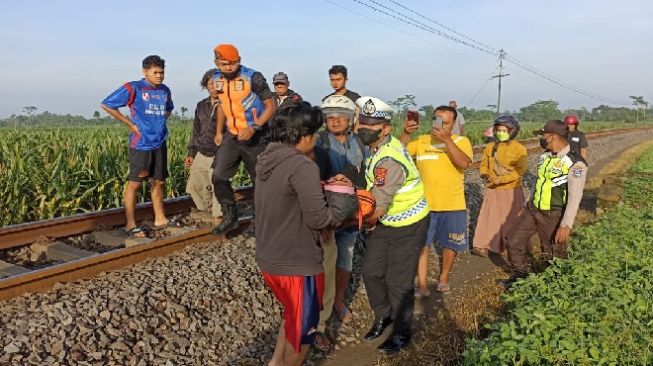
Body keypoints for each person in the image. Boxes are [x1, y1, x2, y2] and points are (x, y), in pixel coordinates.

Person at [255, 102, 345, 366]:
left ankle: (274, 363)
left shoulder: (267, 158)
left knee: (291, 316)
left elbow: (288, 195)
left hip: (270, 260)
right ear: (304, 136)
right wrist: (341, 209)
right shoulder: (303, 166)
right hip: (299, 266)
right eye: (315, 134)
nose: (316, 140)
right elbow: (319, 219)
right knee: (304, 333)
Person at [357, 96, 430, 354]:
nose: (363, 128)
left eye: (371, 125)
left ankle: (401, 332)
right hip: (390, 220)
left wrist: (345, 218)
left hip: (409, 223)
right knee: (371, 272)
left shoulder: (388, 161)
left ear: (384, 129)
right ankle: (384, 314)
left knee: (399, 282)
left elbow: (376, 210)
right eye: (361, 122)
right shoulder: (379, 146)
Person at [500, 120, 588, 287]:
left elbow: (575, 197)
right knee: (513, 240)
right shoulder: (545, 157)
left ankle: (557, 287)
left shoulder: (576, 163)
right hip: (533, 210)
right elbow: (538, 183)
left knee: (553, 254)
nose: (541, 139)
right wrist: (526, 205)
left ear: (552, 137)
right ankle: (520, 277)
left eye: (543, 135)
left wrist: (566, 224)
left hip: (553, 214)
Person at [400, 105, 473, 296]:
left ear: (454, 124)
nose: (440, 126)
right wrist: (406, 133)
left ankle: (444, 277)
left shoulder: (461, 141)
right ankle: (422, 284)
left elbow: (464, 163)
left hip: (452, 204)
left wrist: (447, 140)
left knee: (450, 244)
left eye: (445, 123)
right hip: (424, 205)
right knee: (422, 244)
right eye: (437, 120)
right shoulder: (422, 141)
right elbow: (398, 153)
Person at [100, 55, 175, 238]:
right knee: (135, 183)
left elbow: (169, 108)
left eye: (162, 72)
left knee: (159, 181)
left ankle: (160, 218)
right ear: (145, 71)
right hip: (141, 143)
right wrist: (130, 124)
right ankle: (130, 224)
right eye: (155, 72)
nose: (159, 76)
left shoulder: (165, 90)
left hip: (160, 141)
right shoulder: (134, 87)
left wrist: (160, 122)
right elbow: (107, 104)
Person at [210, 43, 277, 235]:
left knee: (260, 181)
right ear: (216, 63)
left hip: (256, 136)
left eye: (232, 63)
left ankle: (261, 221)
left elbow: (270, 106)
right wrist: (219, 131)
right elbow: (222, 105)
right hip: (232, 135)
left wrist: (254, 127)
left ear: (239, 61)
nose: (228, 67)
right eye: (223, 64)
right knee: (219, 176)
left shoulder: (253, 77)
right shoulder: (217, 79)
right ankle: (230, 216)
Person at [317, 95, 366, 326]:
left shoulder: (359, 141)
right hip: (328, 212)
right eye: (330, 117)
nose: (335, 121)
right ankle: (321, 309)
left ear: (350, 119)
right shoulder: (319, 142)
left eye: (341, 116)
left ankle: (338, 301)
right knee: (325, 260)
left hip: (351, 213)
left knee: (345, 257)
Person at [472, 115, 527, 257]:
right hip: (492, 189)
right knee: (489, 218)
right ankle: (483, 245)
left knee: (511, 220)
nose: (500, 133)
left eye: (504, 130)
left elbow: (519, 171)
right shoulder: (490, 147)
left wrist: (501, 180)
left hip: (511, 190)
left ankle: (511, 248)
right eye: (498, 130)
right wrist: (485, 175)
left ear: (512, 132)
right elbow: (483, 164)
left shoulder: (519, 149)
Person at [185, 69, 222, 224]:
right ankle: (208, 208)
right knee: (194, 184)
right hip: (202, 150)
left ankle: (219, 217)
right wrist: (191, 153)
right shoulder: (201, 106)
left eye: (217, 83)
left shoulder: (231, 105)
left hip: (222, 151)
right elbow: (196, 131)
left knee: (219, 183)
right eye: (210, 83)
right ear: (206, 86)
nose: (213, 86)